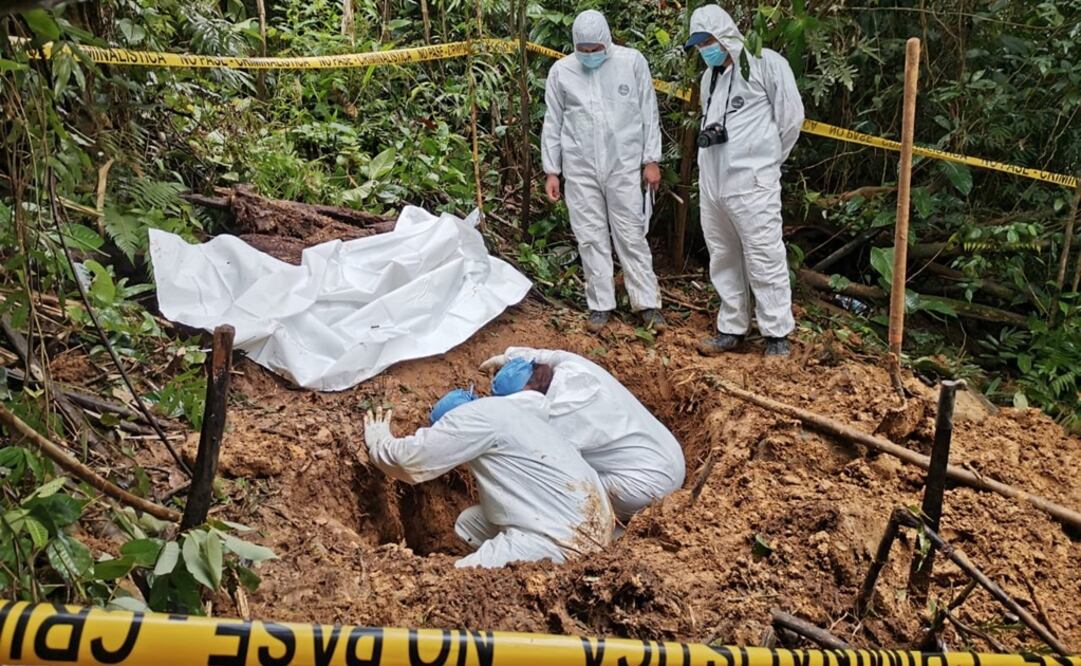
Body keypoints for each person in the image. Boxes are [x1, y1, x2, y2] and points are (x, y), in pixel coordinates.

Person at [363, 389, 614, 568]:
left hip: (560, 540)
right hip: (596, 524)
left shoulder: (468, 422)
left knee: (461, 579)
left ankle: (522, 565)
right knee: (468, 524)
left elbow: (411, 461)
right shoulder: (508, 410)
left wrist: (380, 444)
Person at [685, 5, 804, 357]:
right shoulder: (710, 77)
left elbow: (791, 119)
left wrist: (765, 161)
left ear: (724, 34)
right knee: (723, 255)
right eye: (699, 43)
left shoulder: (765, 63)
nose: (706, 48)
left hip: (752, 181)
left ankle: (776, 334)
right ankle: (732, 327)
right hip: (714, 182)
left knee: (764, 254)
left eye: (709, 40)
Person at [541, 9, 666, 334]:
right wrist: (552, 170)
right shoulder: (562, 72)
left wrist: (651, 159)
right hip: (580, 167)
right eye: (584, 50)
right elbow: (553, 122)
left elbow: (648, 111)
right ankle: (600, 305)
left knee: (630, 234)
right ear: (575, 46)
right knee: (589, 236)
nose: (590, 55)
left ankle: (648, 305)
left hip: (623, 164)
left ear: (607, 42)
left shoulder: (631, 62)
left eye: (596, 49)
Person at [482, 349, 685, 522]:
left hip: (644, 488)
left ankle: (607, 538)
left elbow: (546, 471)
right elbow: (550, 354)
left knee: (556, 492)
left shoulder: (558, 418)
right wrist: (510, 356)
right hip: (672, 456)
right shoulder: (573, 367)